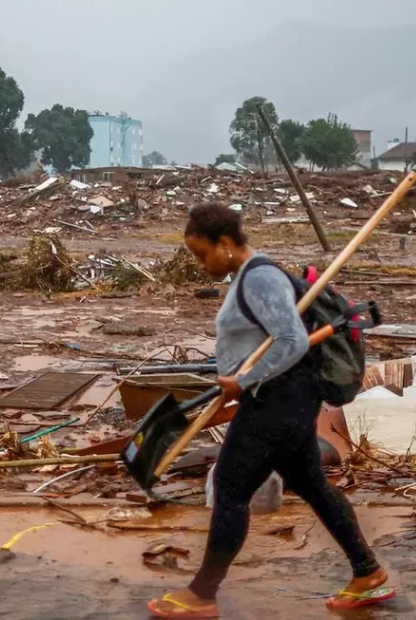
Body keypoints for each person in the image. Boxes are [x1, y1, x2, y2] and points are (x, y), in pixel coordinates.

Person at [147, 203, 394, 618]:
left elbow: (292, 341)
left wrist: (243, 382)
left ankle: (201, 595)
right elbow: (263, 343)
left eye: (202, 254)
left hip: (277, 402)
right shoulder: (248, 276)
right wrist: (235, 381)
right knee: (312, 485)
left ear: (225, 244)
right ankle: (366, 572)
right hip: (283, 400)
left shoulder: (260, 277)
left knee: (229, 489)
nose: (201, 264)